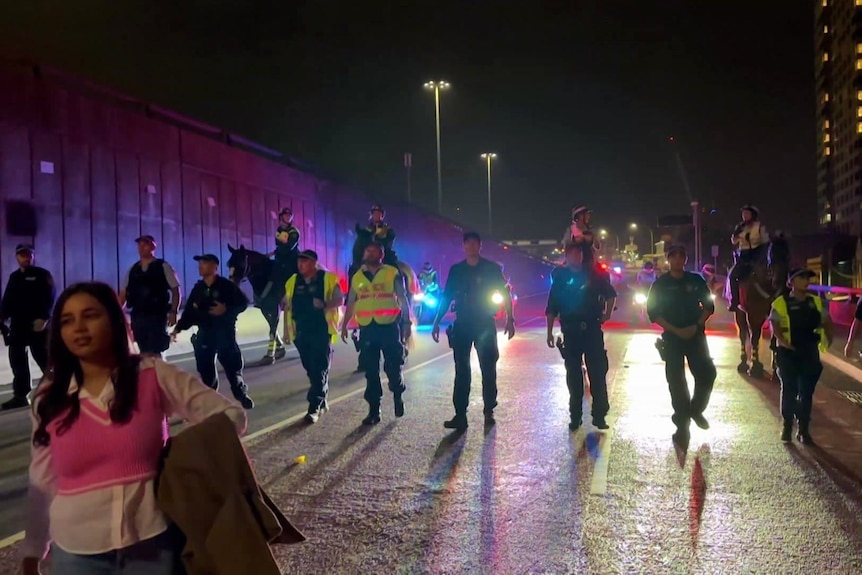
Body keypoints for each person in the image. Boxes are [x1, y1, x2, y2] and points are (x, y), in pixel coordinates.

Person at [20, 282, 246, 575]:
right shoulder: (48, 397)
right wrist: (33, 551)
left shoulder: (152, 375)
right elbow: (41, 480)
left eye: (90, 315)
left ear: (114, 321)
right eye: (67, 320)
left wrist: (181, 456)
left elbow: (231, 416)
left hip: (153, 544)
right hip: (75, 553)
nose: (78, 327)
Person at [431, 232, 515, 430]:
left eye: (474, 243)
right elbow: (446, 297)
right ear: (464, 246)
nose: (470, 246)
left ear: (480, 245)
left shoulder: (492, 269)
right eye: (467, 243)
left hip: (484, 323)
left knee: (488, 368)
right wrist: (437, 321)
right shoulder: (456, 270)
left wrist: (510, 319)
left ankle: (488, 410)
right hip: (463, 324)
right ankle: (460, 415)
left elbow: (505, 293)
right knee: (462, 370)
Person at [646, 244, 717, 445]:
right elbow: (654, 313)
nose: (678, 260)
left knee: (707, 374)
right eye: (674, 257)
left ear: (685, 259)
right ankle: (682, 425)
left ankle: (696, 410)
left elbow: (708, 306)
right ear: (668, 259)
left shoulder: (695, 280)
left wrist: (696, 325)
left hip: (696, 335)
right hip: (673, 338)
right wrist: (676, 330)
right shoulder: (660, 284)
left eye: (681, 256)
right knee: (677, 383)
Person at [545, 243, 616, 431]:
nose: (575, 257)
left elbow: (610, 295)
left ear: (582, 256)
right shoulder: (560, 278)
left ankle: (599, 415)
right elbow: (552, 306)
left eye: (578, 254)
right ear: (566, 256)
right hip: (571, 331)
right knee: (574, 377)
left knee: (597, 374)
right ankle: (575, 416)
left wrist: (607, 314)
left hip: (592, 329)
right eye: (571, 254)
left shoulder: (594, 275)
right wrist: (549, 332)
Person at [340, 243, 411, 425]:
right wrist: (345, 324)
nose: (370, 254)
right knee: (371, 371)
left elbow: (402, 298)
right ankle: (374, 410)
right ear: (364, 254)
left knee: (393, 367)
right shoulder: (357, 277)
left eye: (374, 251)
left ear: (382, 254)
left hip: (389, 327)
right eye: (368, 251)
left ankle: (397, 393)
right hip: (367, 329)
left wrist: (406, 322)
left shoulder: (392, 273)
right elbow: (351, 301)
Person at [172, 254, 254, 410]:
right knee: (206, 372)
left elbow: (243, 303)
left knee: (232, 369)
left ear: (215, 267)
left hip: (224, 334)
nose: (200, 266)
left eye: (205, 263)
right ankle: (211, 402)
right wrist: (178, 329)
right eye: (200, 263)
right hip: (205, 335)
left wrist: (226, 309)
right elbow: (189, 313)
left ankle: (241, 395)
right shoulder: (198, 289)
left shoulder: (226, 286)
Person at [769, 269, 832, 444]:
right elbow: (774, 323)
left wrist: (829, 338)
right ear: (791, 282)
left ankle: (804, 429)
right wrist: (782, 341)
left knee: (806, 392)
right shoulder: (781, 302)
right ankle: (787, 426)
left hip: (809, 351)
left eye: (807, 278)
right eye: (802, 277)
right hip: (789, 352)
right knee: (789, 390)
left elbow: (827, 321)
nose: (806, 281)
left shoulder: (816, 302)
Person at [283, 250, 343, 423]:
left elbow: (340, 299)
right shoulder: (293, 281)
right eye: (299, 261)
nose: (300, 264)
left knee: (318, 368)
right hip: (300, 331)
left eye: (305, 261)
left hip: (321, 330)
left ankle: (313, 407)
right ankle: (321, 394)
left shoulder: (328, 279)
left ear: (314, 263)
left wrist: (325, 304)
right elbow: (287, 306)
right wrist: (286, 332)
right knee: (310, 368)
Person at [0, 244, 55, 410]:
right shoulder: (14, 277)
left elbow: (50, 296)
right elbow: (8, 299)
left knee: (44, 360)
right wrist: (2, 316)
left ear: (33, 256)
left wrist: (45, 317)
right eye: (22, 255)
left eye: (29, 254)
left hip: (37, 325)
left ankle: (57, 391)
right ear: (17, 257)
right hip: (18, 325)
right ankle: (20, 395)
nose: (26, 257)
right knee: (17, 361)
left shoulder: (42, 275)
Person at [118, 235, 181, 358]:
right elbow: (123, 294)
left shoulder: (163, 266)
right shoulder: (133, 269)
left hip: (157, 316)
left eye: (145, 244)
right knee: (144, 351)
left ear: (153, 246)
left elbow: (176, 290)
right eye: (139, 245)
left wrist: (174, 311)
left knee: (157, 350)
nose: (141, 247)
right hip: (138, 316)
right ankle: (150, 376)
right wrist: (116, 312)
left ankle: (160, 374)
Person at [727, 204, 770, 311]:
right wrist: (736, 234)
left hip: (757, 253)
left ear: (753, 215)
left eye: (747, 213)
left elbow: (765, 241)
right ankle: (735, 301)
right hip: (743, 255)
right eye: (743, 213)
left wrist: (761, 254)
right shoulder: (740, 227)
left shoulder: (759, 226)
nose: (744, 216)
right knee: (732, 276)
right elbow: (734, 241)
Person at [262, 207, 300, 301]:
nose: (288, 217)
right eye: (286, 215)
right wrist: (273, 254)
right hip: (280, 256)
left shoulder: (294, 231)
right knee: (272, 273)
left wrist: (273, 253)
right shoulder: (278, 230)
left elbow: (289, 247)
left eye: (289, 215)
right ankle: (264, 296)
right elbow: (279, 245)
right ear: (281, 217)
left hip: (292, 256)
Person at [350, 204, 398, 278]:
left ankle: (399, 282)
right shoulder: (366, 230)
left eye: (379, 213)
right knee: (353, 270)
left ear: (382, 215)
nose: (376, 215)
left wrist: (379, 241)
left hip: (384, 255)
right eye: (375, 213)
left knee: (394, 268)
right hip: (368, 254)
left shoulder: (387, 230)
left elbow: (389, 243)